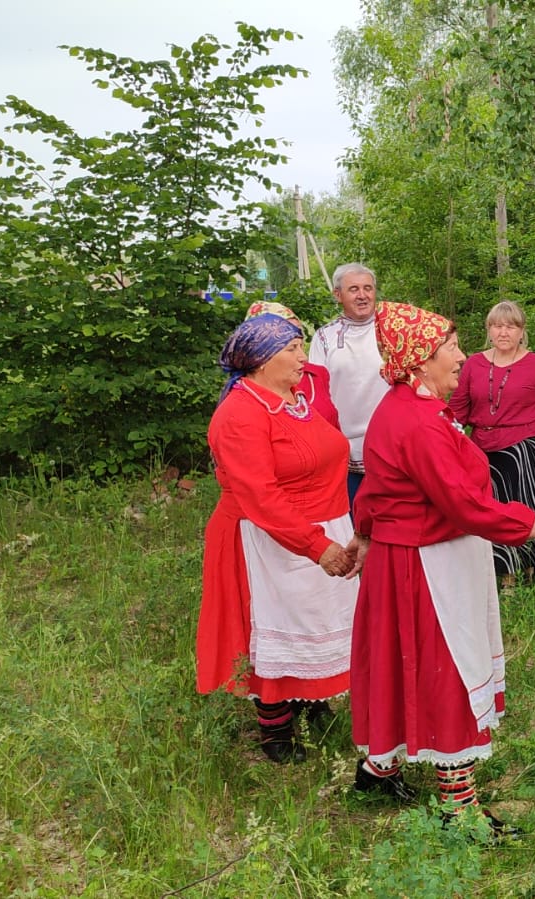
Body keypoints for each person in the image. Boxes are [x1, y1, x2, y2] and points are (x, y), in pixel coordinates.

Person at [349, 301, 535, 823]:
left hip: (411, 557)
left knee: (402, 661)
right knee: (445, 668)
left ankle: (378, 771)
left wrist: (365, 536)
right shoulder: (420, 423)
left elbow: (373, 490)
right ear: (418, 361)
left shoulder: (408, 408)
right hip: (427, 565)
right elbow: (470, 508)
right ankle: (460, 810)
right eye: (450, 348)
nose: (461, 357)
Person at [196, 314, 362, 764]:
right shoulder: (240, 413)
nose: (303, 358)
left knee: (314, 621)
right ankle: (275, 727)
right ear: (259, 360)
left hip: (320, 525)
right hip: (269, 536)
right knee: (278, 626)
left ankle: (309, 697)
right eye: (292, 349)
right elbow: (260, 495)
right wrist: (315, 545)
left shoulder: (291, 398)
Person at [449, 301, 535, 584]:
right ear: (489, 330)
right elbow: (458, 409)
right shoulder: (473, 364)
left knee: (527, 504)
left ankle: (534, 564)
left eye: (510, 326)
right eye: (497, 325)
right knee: (493, 510)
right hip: (483, 447)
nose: (503, 332)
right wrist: (445, 436)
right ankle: (504, 570)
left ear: (521, 331)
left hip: (525, 445)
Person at [309, 263, 390, 504]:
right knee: (354, 527)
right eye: (353, 289)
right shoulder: (324, 337)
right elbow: (316, 394)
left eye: (368, 288)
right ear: (338, 295)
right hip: (345, 450)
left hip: (394, 445)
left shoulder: (394, 330)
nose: (363, 295)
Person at [247, 301, 339, 430]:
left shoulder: (316, 375)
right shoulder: (246, 395)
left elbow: (333, 425)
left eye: (300, 344)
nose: (303, 357)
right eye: (291, 347)